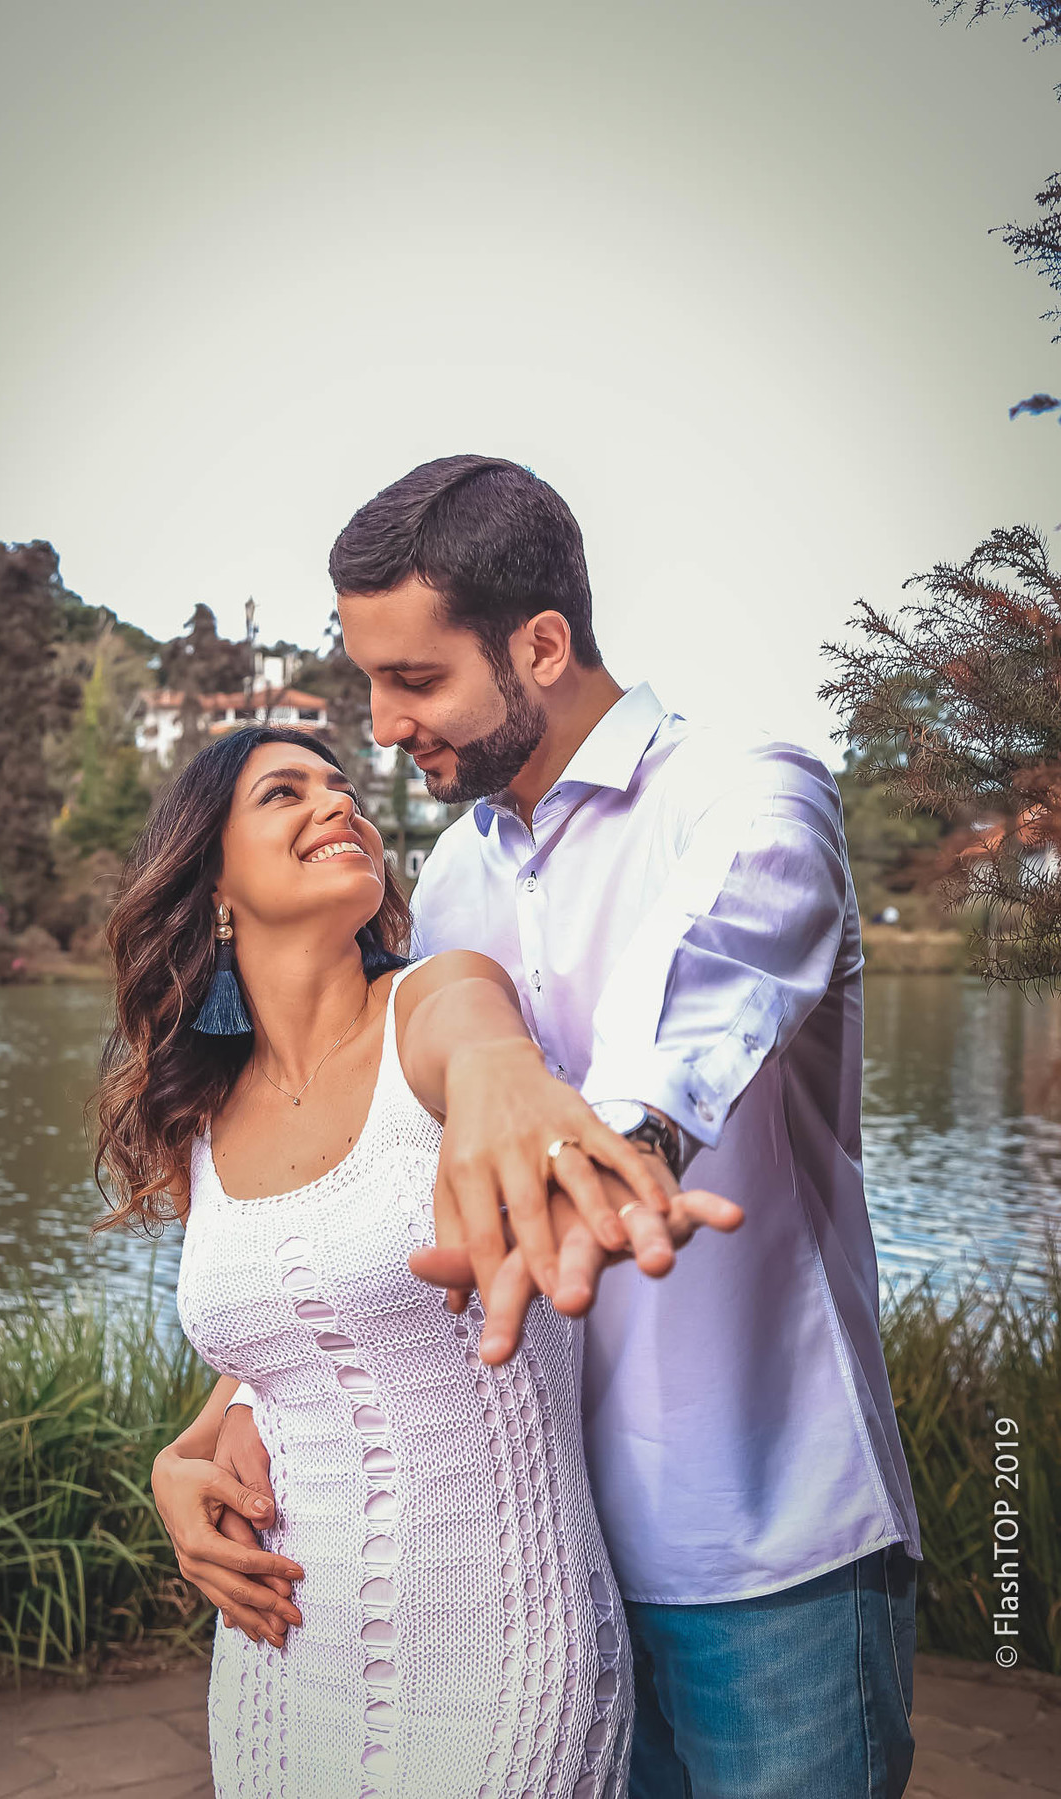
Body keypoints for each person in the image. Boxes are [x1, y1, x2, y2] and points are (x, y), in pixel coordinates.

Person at [162, 456, 922, 1799]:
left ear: (542, 644)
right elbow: (374, 1192)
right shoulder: (452, 875)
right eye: (371, 683)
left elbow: (707, 986)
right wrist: (220, 1414)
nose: (383, 730)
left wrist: (610, 1148)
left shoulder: (750, 798)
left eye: (414, 680)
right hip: (537, 1573)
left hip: (765, 1553)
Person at [95, 722, 739, 1799]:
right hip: (280, 1648)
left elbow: (487, 1047)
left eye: (345, 788)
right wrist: (181, 1457)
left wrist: (535, 1103)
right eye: (285, 791)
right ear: (212, 879)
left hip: (504, 1651)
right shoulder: (199, 1114)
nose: (338, 802)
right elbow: (301, 1330)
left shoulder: (438, 1001)